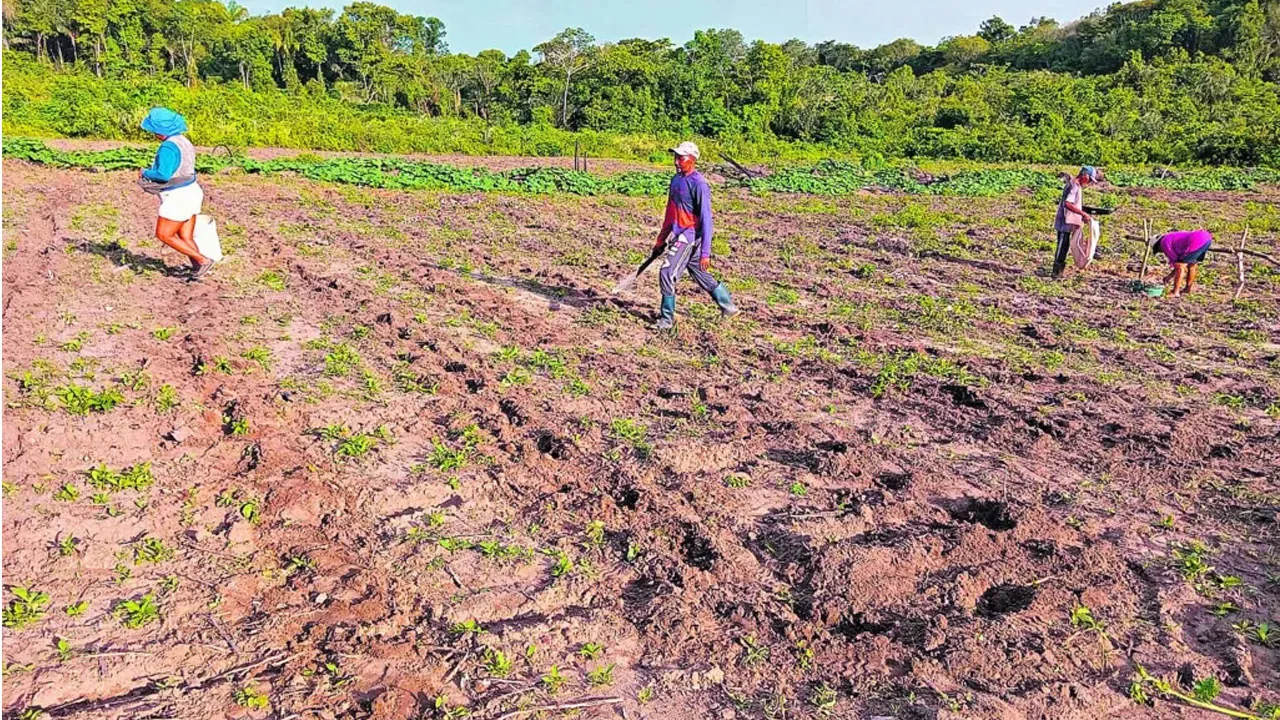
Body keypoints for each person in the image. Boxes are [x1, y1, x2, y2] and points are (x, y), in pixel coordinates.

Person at [652, 141, 738, 330]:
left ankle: (666, 319)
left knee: (667, 272)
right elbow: (670, 212)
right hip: (679, 232)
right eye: (675, 157)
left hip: (690, 235)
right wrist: (661, 239)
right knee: (698, 272)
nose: (676, 162)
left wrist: (706, 252)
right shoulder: (676, 180)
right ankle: (728, 306)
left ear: (692, 160)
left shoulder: (699, 184)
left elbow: (707, 219)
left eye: (681, 158)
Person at [139, 107, 213, 279]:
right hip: (192, 190)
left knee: (163, 234)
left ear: (160, 130)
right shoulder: (183, 141)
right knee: (185, 236)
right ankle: (198, 269)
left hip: (178, 196)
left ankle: (202, 260)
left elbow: (163, 175)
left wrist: (145, 173)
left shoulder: (168, 147)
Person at [1052, 165, 1102, 278]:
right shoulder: (1074, 186)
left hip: (1068, 222)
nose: (1089, 183)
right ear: (1085, 175)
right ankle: (1056, 273)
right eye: (1089, 180)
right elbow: (1068, 204)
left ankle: (1058, 272)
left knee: (1064, 246)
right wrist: (1083, 214)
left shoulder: (1076, 185)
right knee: (1062, 246)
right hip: (1064, 222)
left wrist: (1082, 212)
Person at [1153, 229, 1213, 296]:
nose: (1161, 251)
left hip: (1196, 240)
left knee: (1180, 266)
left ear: (1158, 245)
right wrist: (1170, 276)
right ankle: (1187, 289)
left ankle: (1175, 291)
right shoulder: (1170, 237)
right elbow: (1179, 261)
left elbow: (1178, 265)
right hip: (1206, 238)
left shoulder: (1164, 243)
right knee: (1192, 264)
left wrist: (1169, 276)